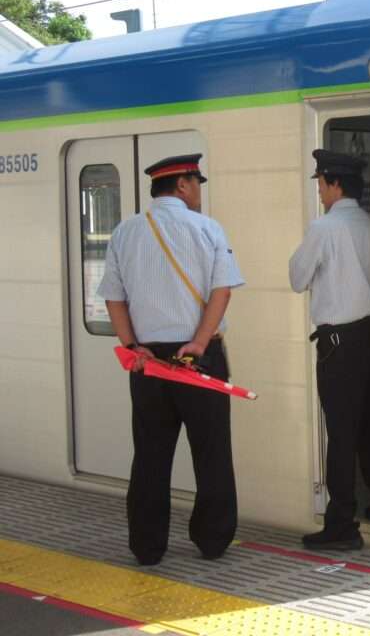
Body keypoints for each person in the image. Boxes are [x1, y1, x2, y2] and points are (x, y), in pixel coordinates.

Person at [97, 153, 245, 566]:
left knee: (150, 454)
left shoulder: (124, 232)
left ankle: (147, 546)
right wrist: (198, 343)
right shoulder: (207, 229)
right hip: (199, 358)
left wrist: (132, 347)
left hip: (148, 363)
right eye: (196, 182)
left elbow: (114, 298)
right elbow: (223, 291)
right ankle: (212, 541)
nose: (199, 190)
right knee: (211, 451)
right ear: (182, 185)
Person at [290, 149, 370, 551]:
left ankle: (341, 523)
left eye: (320, 183)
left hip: (338, 341)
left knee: (340, 432)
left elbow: (297, 277)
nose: (319, 191)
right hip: (368, 335)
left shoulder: (325, 228)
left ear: (334, 184)